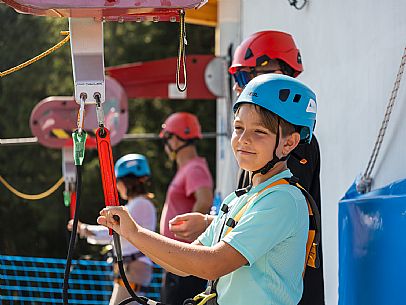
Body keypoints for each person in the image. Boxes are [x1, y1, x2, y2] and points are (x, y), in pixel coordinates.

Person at [97, 74, 317, 305]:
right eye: (238, 127)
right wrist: (131, 232)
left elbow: (212, 265)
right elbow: (180, 266)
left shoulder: (282, 200)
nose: (243, 139)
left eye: (259, 132)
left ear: (289, 143)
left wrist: (135, 234)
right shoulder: (238, 201)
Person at [169, 30, 324, 305]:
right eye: (242, 77)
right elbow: (256, 213)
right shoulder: (261, 143)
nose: (248, 85)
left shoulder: (293, 147)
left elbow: (274, 217)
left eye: (253, 74)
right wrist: (213, 224)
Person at [67, 153, 157, 305]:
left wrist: (84, 229)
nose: (116, 186)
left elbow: (114, 232)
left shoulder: (140, 205)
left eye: (118, 181)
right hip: (132, 268)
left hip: (133, 268)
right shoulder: (138, 205)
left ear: (127, 182)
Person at [158, 112, 214, 305]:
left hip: (184, 262)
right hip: (178, 260)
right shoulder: (189, 168)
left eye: (167, 138)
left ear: (175, 139)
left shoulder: (194, 168)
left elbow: (205, 199)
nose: (166, 145)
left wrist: (190, 243)